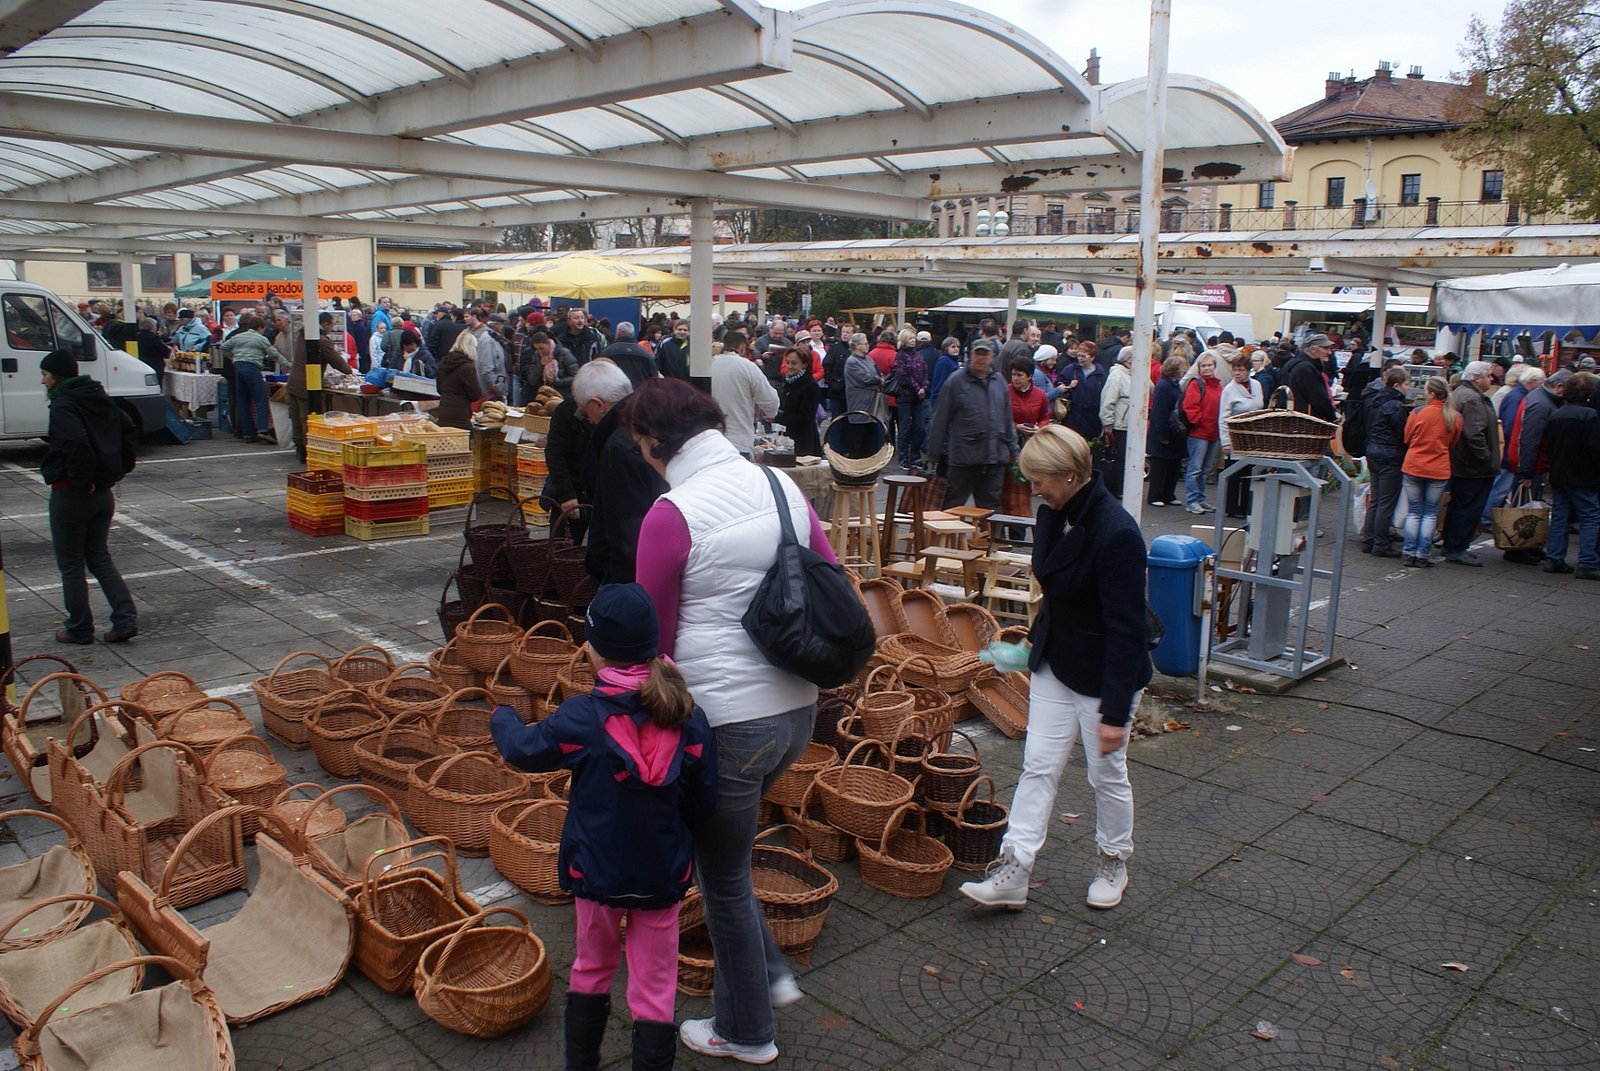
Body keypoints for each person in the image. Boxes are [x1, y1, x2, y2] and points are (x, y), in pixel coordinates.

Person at [626, 379, 833, 1065]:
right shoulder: (782, 489)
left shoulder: (672, 512)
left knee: (723, 881)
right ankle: (766, 974)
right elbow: (827, 574)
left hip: (728, 725)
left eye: (640, 444)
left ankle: (748, 1028)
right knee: (723, 864)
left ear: (655, 441)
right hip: (796, 712)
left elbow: (650, 644)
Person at [491, 582, 715, 1071]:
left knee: (591, 968)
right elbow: (705, 800)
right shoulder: (688, 718)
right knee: (655, 989)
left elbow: (522, 751)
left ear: (595, 652)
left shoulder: (581, 719)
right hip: (662, 876)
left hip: (596, 872)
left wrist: (503, 716)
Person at [960, 424, 1149, 912]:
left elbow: (1127, 632)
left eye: (1039, 479)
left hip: (1103, 673)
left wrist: (1113, 713)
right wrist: (1035, 638)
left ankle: (1114, 860)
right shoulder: (1055, 512)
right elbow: (1058, 591)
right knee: (1037, 767)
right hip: (1055, 662)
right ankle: (1014, 870)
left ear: (1068, 475)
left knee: (1106, 774)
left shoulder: (1117, 533)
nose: (1032, 488)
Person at [39, 350, 139, 645]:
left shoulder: (63, 404)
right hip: (102, 493)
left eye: (45, 375)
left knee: (71, 564)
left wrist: (84, 480)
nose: (43, 381)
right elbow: (128, 428)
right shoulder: (97, 394)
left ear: (57, 376)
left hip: (73, 492)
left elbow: (76, 443)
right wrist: (116, 471)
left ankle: (79, 627)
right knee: (99, 557)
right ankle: (125, 619)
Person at [578, 361, 668, 585]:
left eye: (584, 411)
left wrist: (617, 588)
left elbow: (627, 530)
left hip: (631, 579)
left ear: (598, 404)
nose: (588, 420)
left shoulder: (619, 445)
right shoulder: (653, 422)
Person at [927, 338, 1018, 511]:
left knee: (991, 510)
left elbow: (1007, 419)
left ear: (992, 356)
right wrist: (933, 455)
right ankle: (948, 538)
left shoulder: (999, 382)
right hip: (964, 459)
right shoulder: (955, 382)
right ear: (970, 355)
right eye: (978, 354)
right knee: (953, 506)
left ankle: (990, 539)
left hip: (995, 458)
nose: (981, 358)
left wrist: (1013, 450)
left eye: (985, 354)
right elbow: (940, 420)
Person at [1541, 374, 1600, 579]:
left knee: (1559, 517)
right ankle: (1588, 562)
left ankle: (1554, 558)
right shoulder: (1590, 416)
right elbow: (1595, 448)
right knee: (1590, 517)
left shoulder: (1556, 415)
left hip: (1559, 473)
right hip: (1583, 475)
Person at [1442, 361, 1500, 566]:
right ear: (1477, 378)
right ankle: (1457, 547)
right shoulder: (1472, 399)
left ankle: (1452, 544)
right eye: (1488, 376)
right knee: (1468, 507)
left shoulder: (1461, 393)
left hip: (1463, 462)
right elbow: (1474, 433)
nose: (1491, 380)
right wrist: (1485, 456)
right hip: (1473, 465)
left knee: (1459, 505)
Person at [1401, 377, 1461, 568]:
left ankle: (1409, 551)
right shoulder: (1454, 417)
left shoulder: (1418, 412)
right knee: (1430, 513)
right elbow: (1453, 442)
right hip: (1439, 467)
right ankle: (1423, 553)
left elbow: (1407, 438)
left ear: (1432, 393)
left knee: (1414, 511)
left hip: (1414, 464)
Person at [286, 312, 353, 464]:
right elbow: (338, 363)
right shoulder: (321, 340)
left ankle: (300, 450)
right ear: (325, 324)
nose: (331, 329)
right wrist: (350, 371)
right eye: (331, 325)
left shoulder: (303, 335)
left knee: (296, 420)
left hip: (293, 384)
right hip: (306, 386)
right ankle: (307, 452)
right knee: (307, 420)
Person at [1360, 366, 1411, 558]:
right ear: (1397, 385)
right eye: (1406, 384)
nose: (1408, 388)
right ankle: (1380, 543)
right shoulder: (1395, 406)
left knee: (1376, 499)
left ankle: (1369, 538)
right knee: (1386, 502)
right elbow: (1402, 433)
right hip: (1390, 455)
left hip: (1374, 451)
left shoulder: (1376, 400)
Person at [709, 336, 779, 458]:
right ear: (742, 348)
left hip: (711, 441)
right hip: (738, 440)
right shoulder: (748, 367)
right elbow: (770, 401)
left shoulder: (709, 365)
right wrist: (771, 414)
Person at [217, 313, 279, 444]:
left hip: (238, 369)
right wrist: (290, 365)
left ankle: (247, 433)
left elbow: (222, 347)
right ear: (260, 327)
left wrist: (234, 357)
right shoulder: (260, 338)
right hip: (252, 369)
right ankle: (262, 430)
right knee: (260, 400)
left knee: (242, 402)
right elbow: (275, 355)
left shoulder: (237, 336)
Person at [1217, 352, 1264, 518]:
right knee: (1235, 474)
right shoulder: (1229, 390)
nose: (1237, 373)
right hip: (1235, 436)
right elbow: (1223, 417)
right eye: (1235, 369)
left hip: (1253, 436)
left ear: (1248, 370)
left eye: (1241, 370)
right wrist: (1226, 442)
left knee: (1249, 473)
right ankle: (1231, 507)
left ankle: (1246, 507)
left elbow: (1260, 407)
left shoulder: (1257, 385)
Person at [1180, 352, 1222, 515]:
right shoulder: (1196, 384)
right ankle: (1192, 500)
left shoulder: (1218, 385)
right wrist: (1199, 421)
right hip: (1199, 433)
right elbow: (1190, 407)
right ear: (1199, 368)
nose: (1207, 368)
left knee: (1205, 469)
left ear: (1214, 367)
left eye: (1209, 365)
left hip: (1213, 432)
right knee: (1195, 468)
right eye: (1203, 366)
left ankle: (1201, 498)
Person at [1146, 355, 1188, 507]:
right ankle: (1156, 495)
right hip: (1164, 432)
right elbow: (1160, 412)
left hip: (1173, 431)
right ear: (1176, 370)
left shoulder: (1173, 385)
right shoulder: (1164, 386)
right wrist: (1162, 434)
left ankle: (1168, 494)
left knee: (1173, 465)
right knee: (1160, 466)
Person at [1097, 345, 1135, 498]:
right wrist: (1108, 423)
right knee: (1116, 459)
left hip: (1129, 425)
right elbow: (1108, 401)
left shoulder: (1133, 375)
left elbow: (1150, 388)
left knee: (1123, 459)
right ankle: (1113, 489)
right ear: (1128, 360)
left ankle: (1119, 487)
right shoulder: (1117, 376)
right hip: (1118, 425)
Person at [841, 332, 884, 457]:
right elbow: (865, 379)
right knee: (857, 439)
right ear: (857, 346)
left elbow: (878, 373)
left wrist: (877, 378)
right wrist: (878, 379)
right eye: (865, 343)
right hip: (858, 403)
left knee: (869, 439)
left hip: (872, 404)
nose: (868, 345)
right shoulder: (852, 362)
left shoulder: (869, 359)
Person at [893, 332, 932, 468]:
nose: (913, 341)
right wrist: (917, 388)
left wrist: (924, 388)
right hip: (905, 397)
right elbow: (901, 376)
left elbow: (925, 373)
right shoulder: (901, 355)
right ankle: (903, 457)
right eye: (910, 338)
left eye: (914, 338)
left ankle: (915, 457)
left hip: (919, 398)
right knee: (904, 429)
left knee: (919, 428)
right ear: (904, 340)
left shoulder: (918, 355)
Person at [775, 347, 822, 458]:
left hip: (803, 441)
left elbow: (805, 417)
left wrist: (778, 418)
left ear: (804, 365)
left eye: (794, 363)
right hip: (786, 436)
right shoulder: (788, 381)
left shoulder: (810, 385)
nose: (790, 366)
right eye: (788, 362)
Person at [1282, 333, 1338, 422]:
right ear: (1313, 349)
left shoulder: (1294, 363)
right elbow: (1319, 400)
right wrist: (1333, 417)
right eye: (1325, 348)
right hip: (1305, 422)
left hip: (1292, 419)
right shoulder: (1306, 369)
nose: (1329, 352)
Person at [433, 331, 481, 430]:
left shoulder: (443, 364)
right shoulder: (467, 368)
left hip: (443, 411)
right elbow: (475, 394)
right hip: (461, 413)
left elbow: (439, 389)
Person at [599, 322, 658, 389]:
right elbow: (654, 379)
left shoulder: (607, 353)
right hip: (638, 395)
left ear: (618, 333)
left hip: (614, 395)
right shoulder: (645, 355)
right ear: (632, 334)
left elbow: (599, 377)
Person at [655, 318, 692, 382]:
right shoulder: (665, 345)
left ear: (689, 332)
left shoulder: (692, 346)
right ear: (674, 330)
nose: (682, 332)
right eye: (679, 329)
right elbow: (657, 364)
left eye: (685, 330)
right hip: (669, 384)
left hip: (687, 384)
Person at [928, 336, 962, 402]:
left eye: (958, 347)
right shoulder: (943, 361)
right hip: (944, 400)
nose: (956, 349)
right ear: (946, 348)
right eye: (953, 347)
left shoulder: (955, 361)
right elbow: (938, 382)